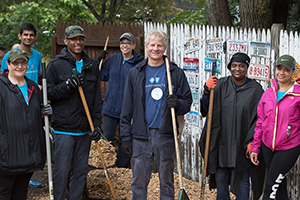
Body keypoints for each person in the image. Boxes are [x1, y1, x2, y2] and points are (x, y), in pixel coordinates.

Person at [120, 30, 192, 200]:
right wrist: (125, 137)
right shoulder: (135, 73)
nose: (155, 48)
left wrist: (178, 104)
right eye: (152, 45)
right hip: (140, 136)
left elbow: (187, 102)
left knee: (166, 181)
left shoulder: (175, 73)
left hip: (165, 135)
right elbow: (126, 109)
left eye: (159, 45)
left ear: (165, 48)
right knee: (138, 181)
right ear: (146, 47)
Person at [46, 25, 102, 200]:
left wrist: (97, 125)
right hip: (64, 129)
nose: (77, 42)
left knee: (80, 173)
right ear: (66, 41)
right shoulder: (55, 64)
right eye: (73, 39)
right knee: (61, 172)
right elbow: (49, 94)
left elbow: (96, 100)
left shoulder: (91, 65)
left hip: (85, 129)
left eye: (80, 39)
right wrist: (68, 85)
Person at [199, 52, 265, 200]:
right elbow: (206, 109)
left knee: (242, 180)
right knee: (221, 178)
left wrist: (253, 141)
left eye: (242, 66)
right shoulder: (220, 85)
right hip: (223, 144)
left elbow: (260, 118)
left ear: (247, 67)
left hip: (242, 144)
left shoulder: (256, 90)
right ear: (229, 67)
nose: (237, 69)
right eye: (234, 66)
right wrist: (206, 91)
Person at [0, 49, 51, 200]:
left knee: (21, 192)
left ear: (28, 65)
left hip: (30, 152)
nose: (19, 66)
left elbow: (37, 117)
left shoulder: (34, 88)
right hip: (8, 154)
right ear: (8, 65)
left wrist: (46, 112)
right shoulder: (2, 87)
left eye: (23, 63)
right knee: (4, 191)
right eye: (15, 63)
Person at [250, 55, 300, 200]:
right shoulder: (268, 94)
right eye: (279, 68)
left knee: (270, 188)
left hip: (288, 147)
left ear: (292, 72)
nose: (282, 73)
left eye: (286, 70)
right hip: (268, 146)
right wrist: (255, 147)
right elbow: (260, 122)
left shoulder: (297, 94)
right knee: (280, 186)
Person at [99, 32, 143, 168]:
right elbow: (101, 74)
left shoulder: (139, 64)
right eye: (122, 43)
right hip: (110, 107)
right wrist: (98, 61)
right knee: (107, 140)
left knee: (125, 140)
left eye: (128, 43)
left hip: (127, 110)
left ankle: (122, 169)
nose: (125, 46)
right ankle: (107, 169)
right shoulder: (113, 59)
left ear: (133, 45)